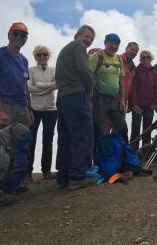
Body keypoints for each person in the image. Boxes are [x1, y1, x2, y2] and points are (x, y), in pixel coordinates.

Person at [0, 21, 33, 207]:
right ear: (9, 34)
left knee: (19, 146)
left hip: (21, 107)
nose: (19, 38)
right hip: (4, 104)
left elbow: (25, 86)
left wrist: (29, 109)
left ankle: (10, 184)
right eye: (16, 34)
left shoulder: (24, 60)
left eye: (23, 35)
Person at [55, 25, 96, 190]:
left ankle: (63, 176)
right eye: (86, 36)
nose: (88, 40)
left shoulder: (65, 50)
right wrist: (90, 90)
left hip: (63, 97)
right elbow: (84, 71)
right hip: (76, 94)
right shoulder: (78, 47)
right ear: (77, 35)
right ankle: (78, 176)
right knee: (82, 134)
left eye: (91, 39)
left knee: (65, 137)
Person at [89, 34, 128, 140]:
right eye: (111, 43)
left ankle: (121, 154)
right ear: (105, 43)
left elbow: (120, 80)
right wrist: (90, 99)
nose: (113, 46)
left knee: (122, 126)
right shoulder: (96, 56)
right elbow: (88, 77)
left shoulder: (118, 59)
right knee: (100, 130)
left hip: (114, 99)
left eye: (116, 44)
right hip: (99, 99)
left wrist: (123, 100)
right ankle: (98, 156)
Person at [27, 45, 57, 181]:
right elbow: (29, 89)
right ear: (35, 57)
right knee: (30, 141)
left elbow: (58, 84)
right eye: (39, 55)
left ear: (48, 56)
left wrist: (39, 85)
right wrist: (48, 88)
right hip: (35, 109)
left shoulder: (53, 70)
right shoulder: (31, 71)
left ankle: (46, 171)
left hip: (51, 109)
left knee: (48, 141)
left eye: (45, 54)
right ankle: (27, 172)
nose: (42, 57)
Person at [129, 50, 157, 150]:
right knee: (135, 130)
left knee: (147, 130)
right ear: (140, 59)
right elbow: (133, 87)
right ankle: (133, 153)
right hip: (138, 105)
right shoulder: (136, 70)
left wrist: (155, 103)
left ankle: (145, 153)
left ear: (151, 58)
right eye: (143, 57)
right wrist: (134, 104)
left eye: (148, 57)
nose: (146, 59)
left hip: (150, 106)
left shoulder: (154, 71)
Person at [119, 42, 140, 140]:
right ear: (126, 48)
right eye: (132, 49)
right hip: (112, 99)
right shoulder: (118, 59)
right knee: (106, 126)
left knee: (118, 129)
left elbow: (131, 87)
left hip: (123, 102)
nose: (134, 52)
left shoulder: (133, 68)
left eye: (136, 51)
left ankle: (114, 153)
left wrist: (131, 103)